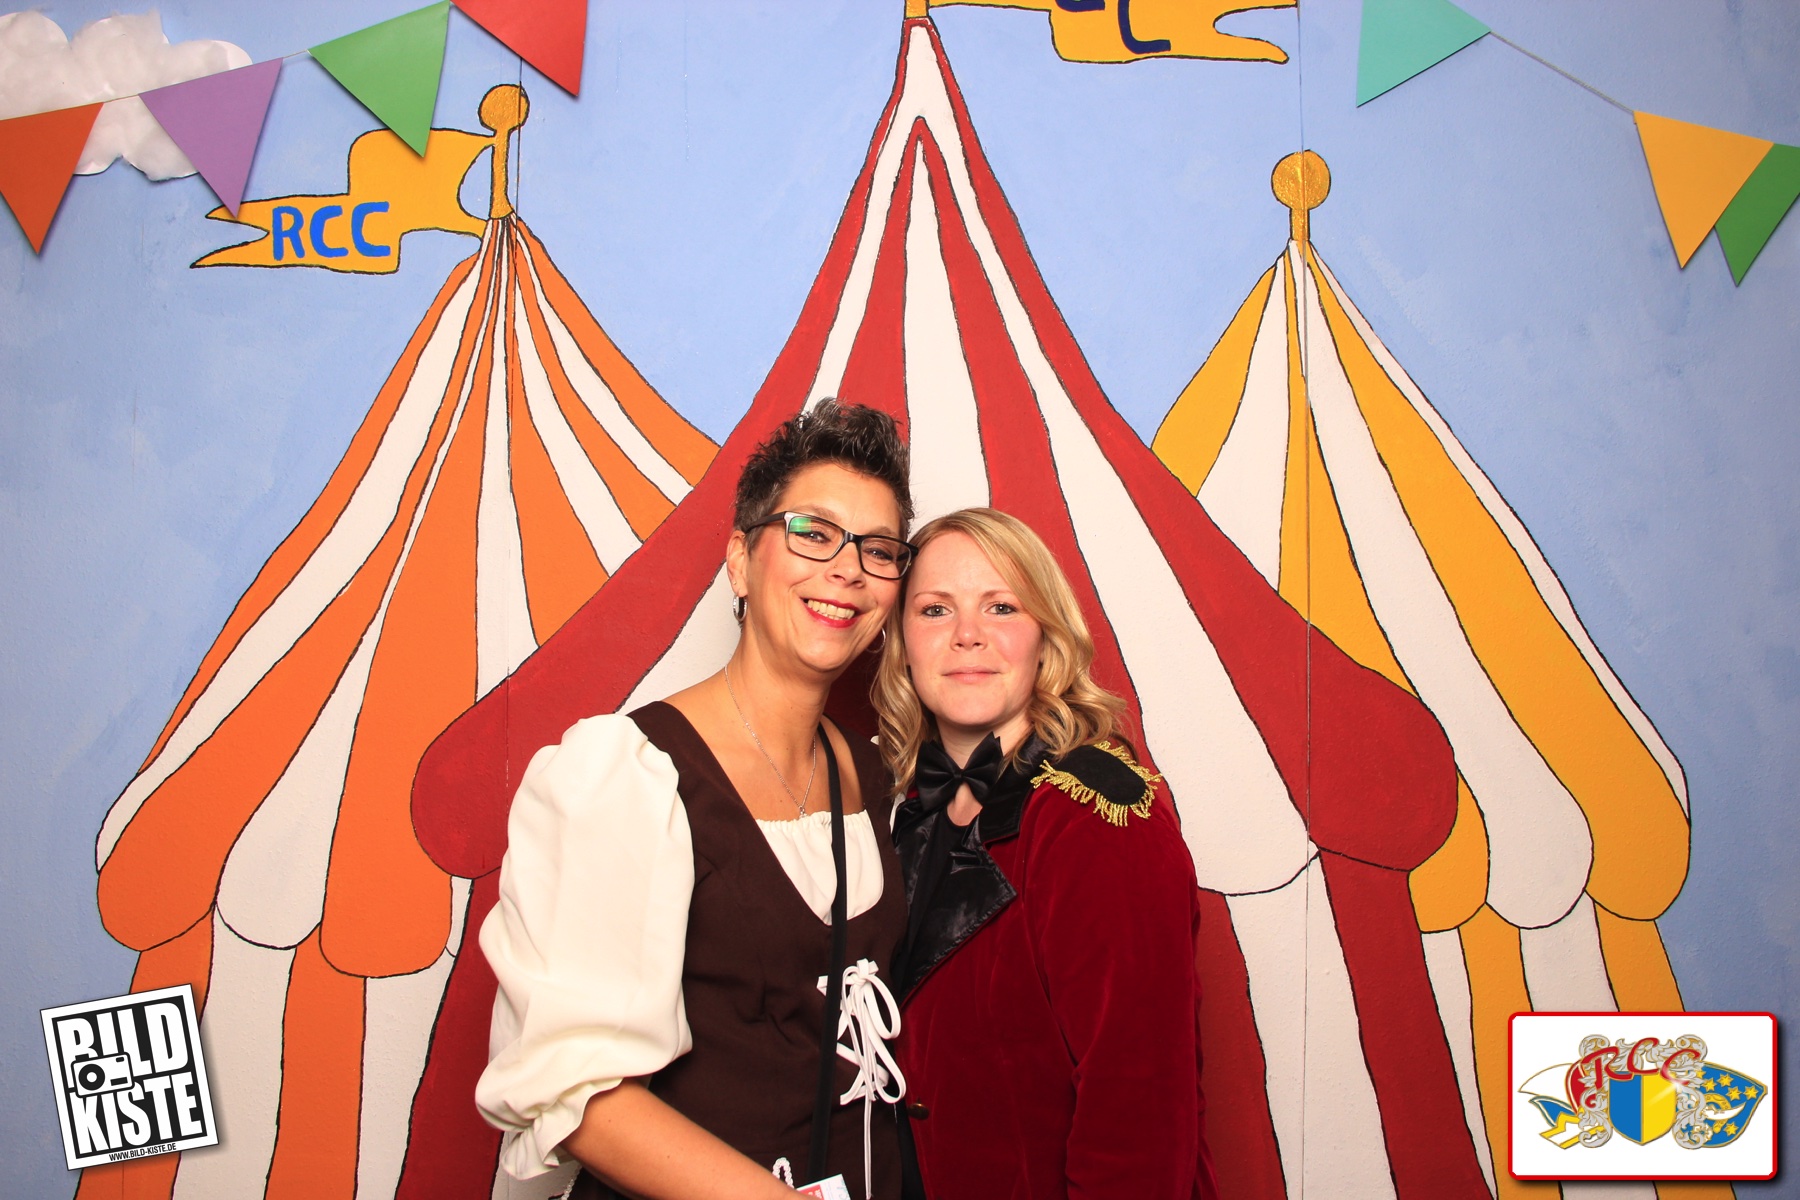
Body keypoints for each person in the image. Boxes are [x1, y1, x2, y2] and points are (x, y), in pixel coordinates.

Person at [477, 400, 915, 1200]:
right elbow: (578, 1097)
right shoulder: (627, 774)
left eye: (878, 550)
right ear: (741, 561)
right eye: (813, 533)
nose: (848, 569)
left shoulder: (875, 774)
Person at [872, 507, 1218, 1200]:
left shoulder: (1097, 817)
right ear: (903, 643)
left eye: (1001, 606)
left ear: (1046, 638)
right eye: (936, 609)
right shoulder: (903, 811)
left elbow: (1140, 1114)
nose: (967, 634)